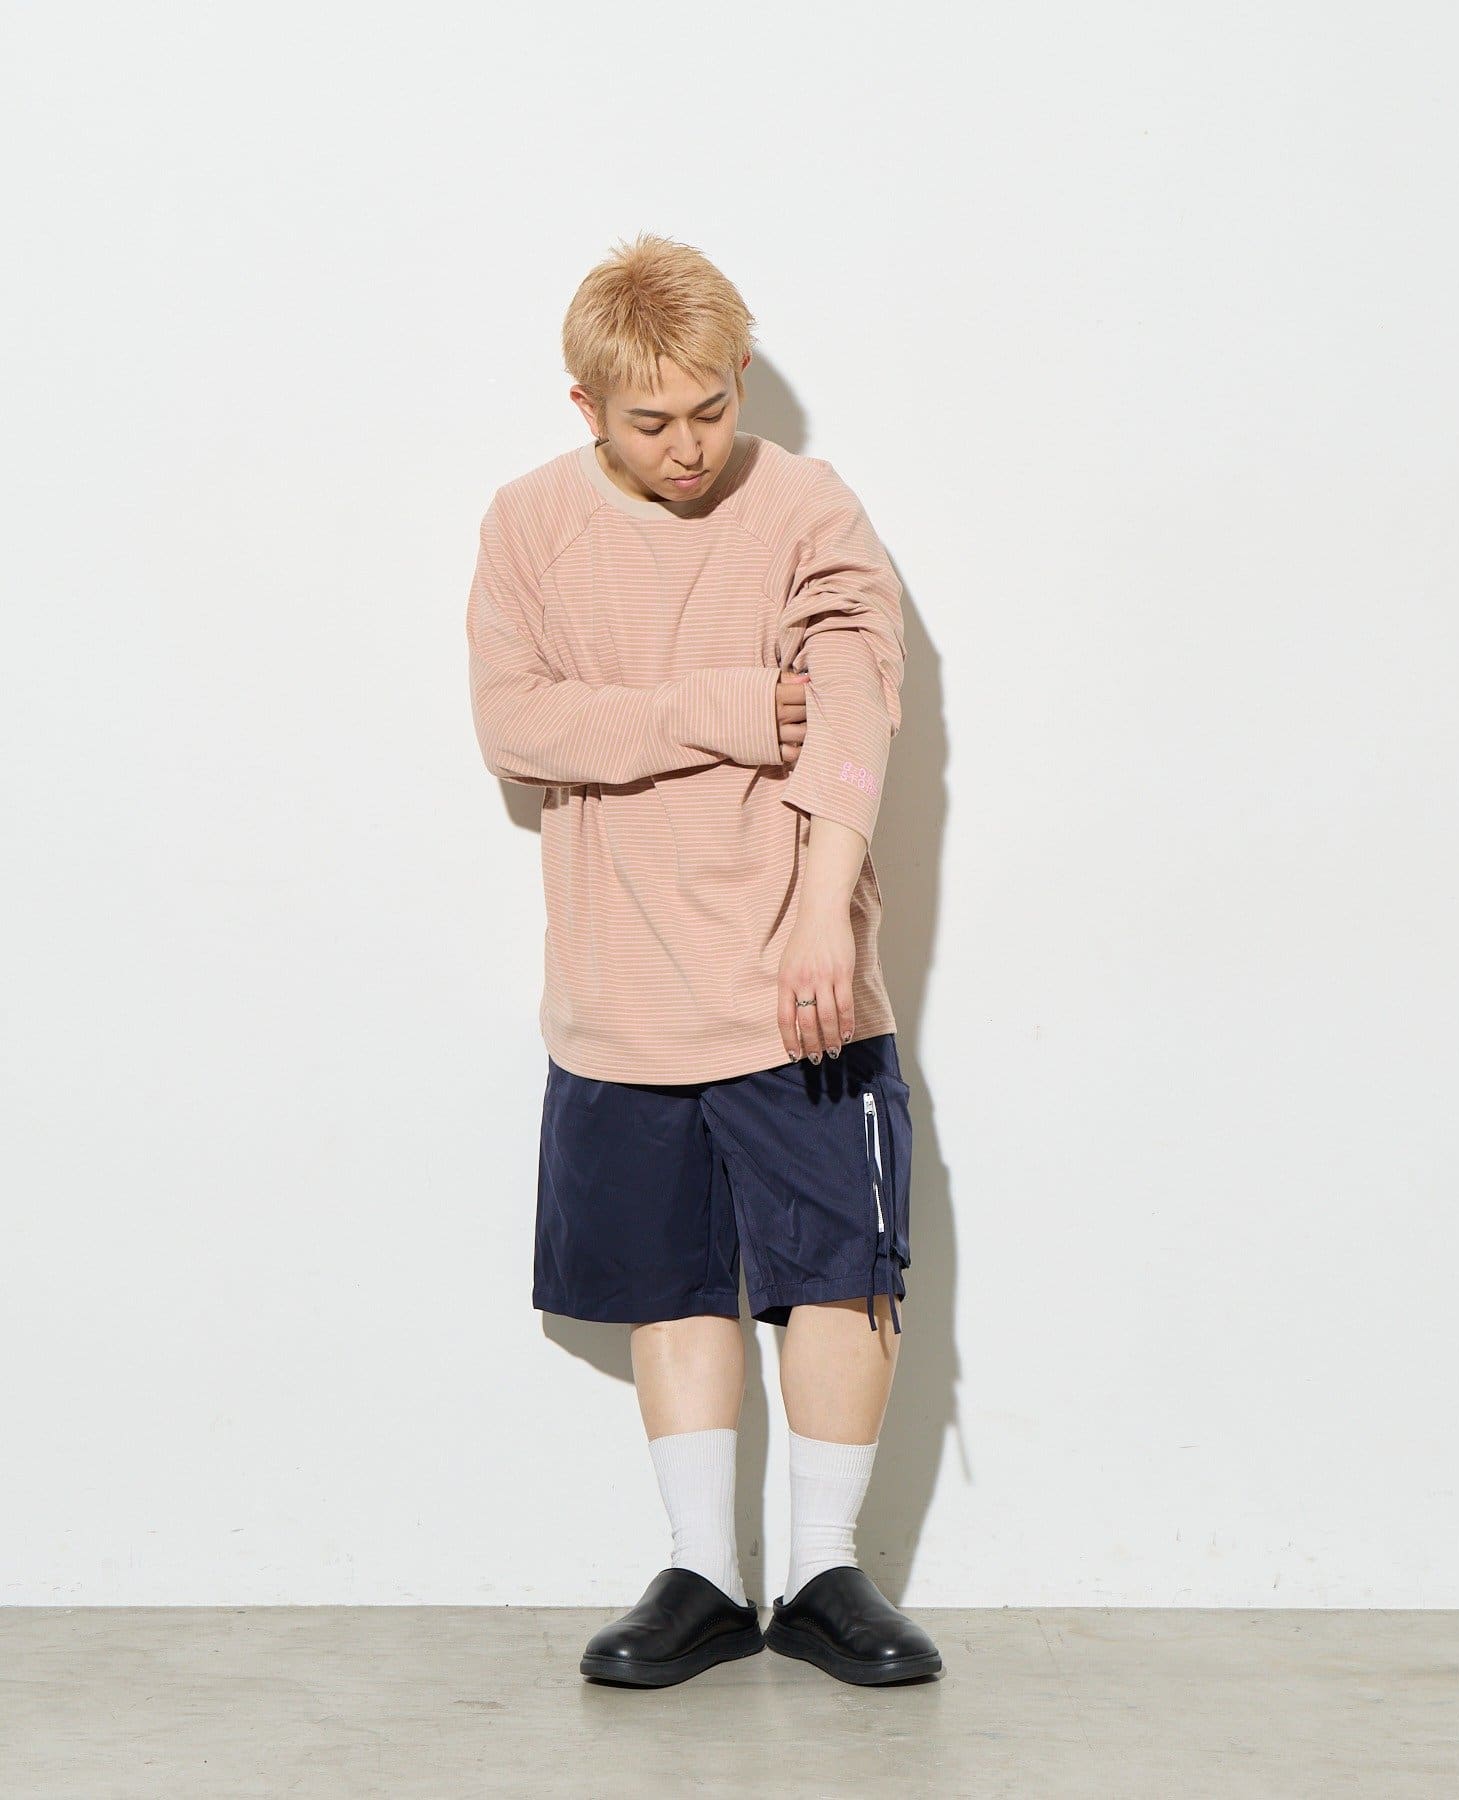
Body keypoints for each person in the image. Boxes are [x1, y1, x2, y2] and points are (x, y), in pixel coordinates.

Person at [464, 231, 941, 1688]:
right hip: (620, 989)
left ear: (742, 378)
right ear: (587, 406)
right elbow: (518, 727)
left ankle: (826, 1573)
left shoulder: (806, 507)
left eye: (712, 410)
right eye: (650, 421)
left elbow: (853, 706)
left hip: (796, 978)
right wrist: (726, 706)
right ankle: (702, 1578)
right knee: (674, 1281)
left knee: (838, 1274)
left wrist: (820, 907)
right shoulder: (527, 524)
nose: (688, 448)